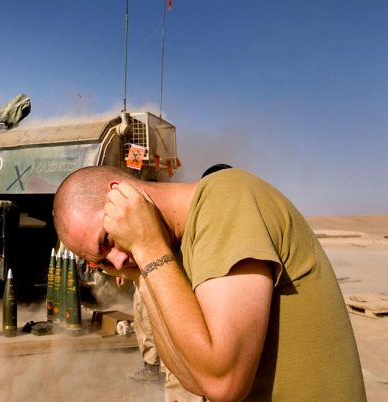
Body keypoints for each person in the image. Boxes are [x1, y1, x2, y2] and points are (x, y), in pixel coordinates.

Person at [53, 165, 366, 401]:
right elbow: (190, 374)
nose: (117, 262)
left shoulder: (226, 198)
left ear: (121, 195)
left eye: (107, 240)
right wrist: (145, 278)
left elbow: (223, 381)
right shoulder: (175, 250)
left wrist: (149, 250)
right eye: (102, 262)